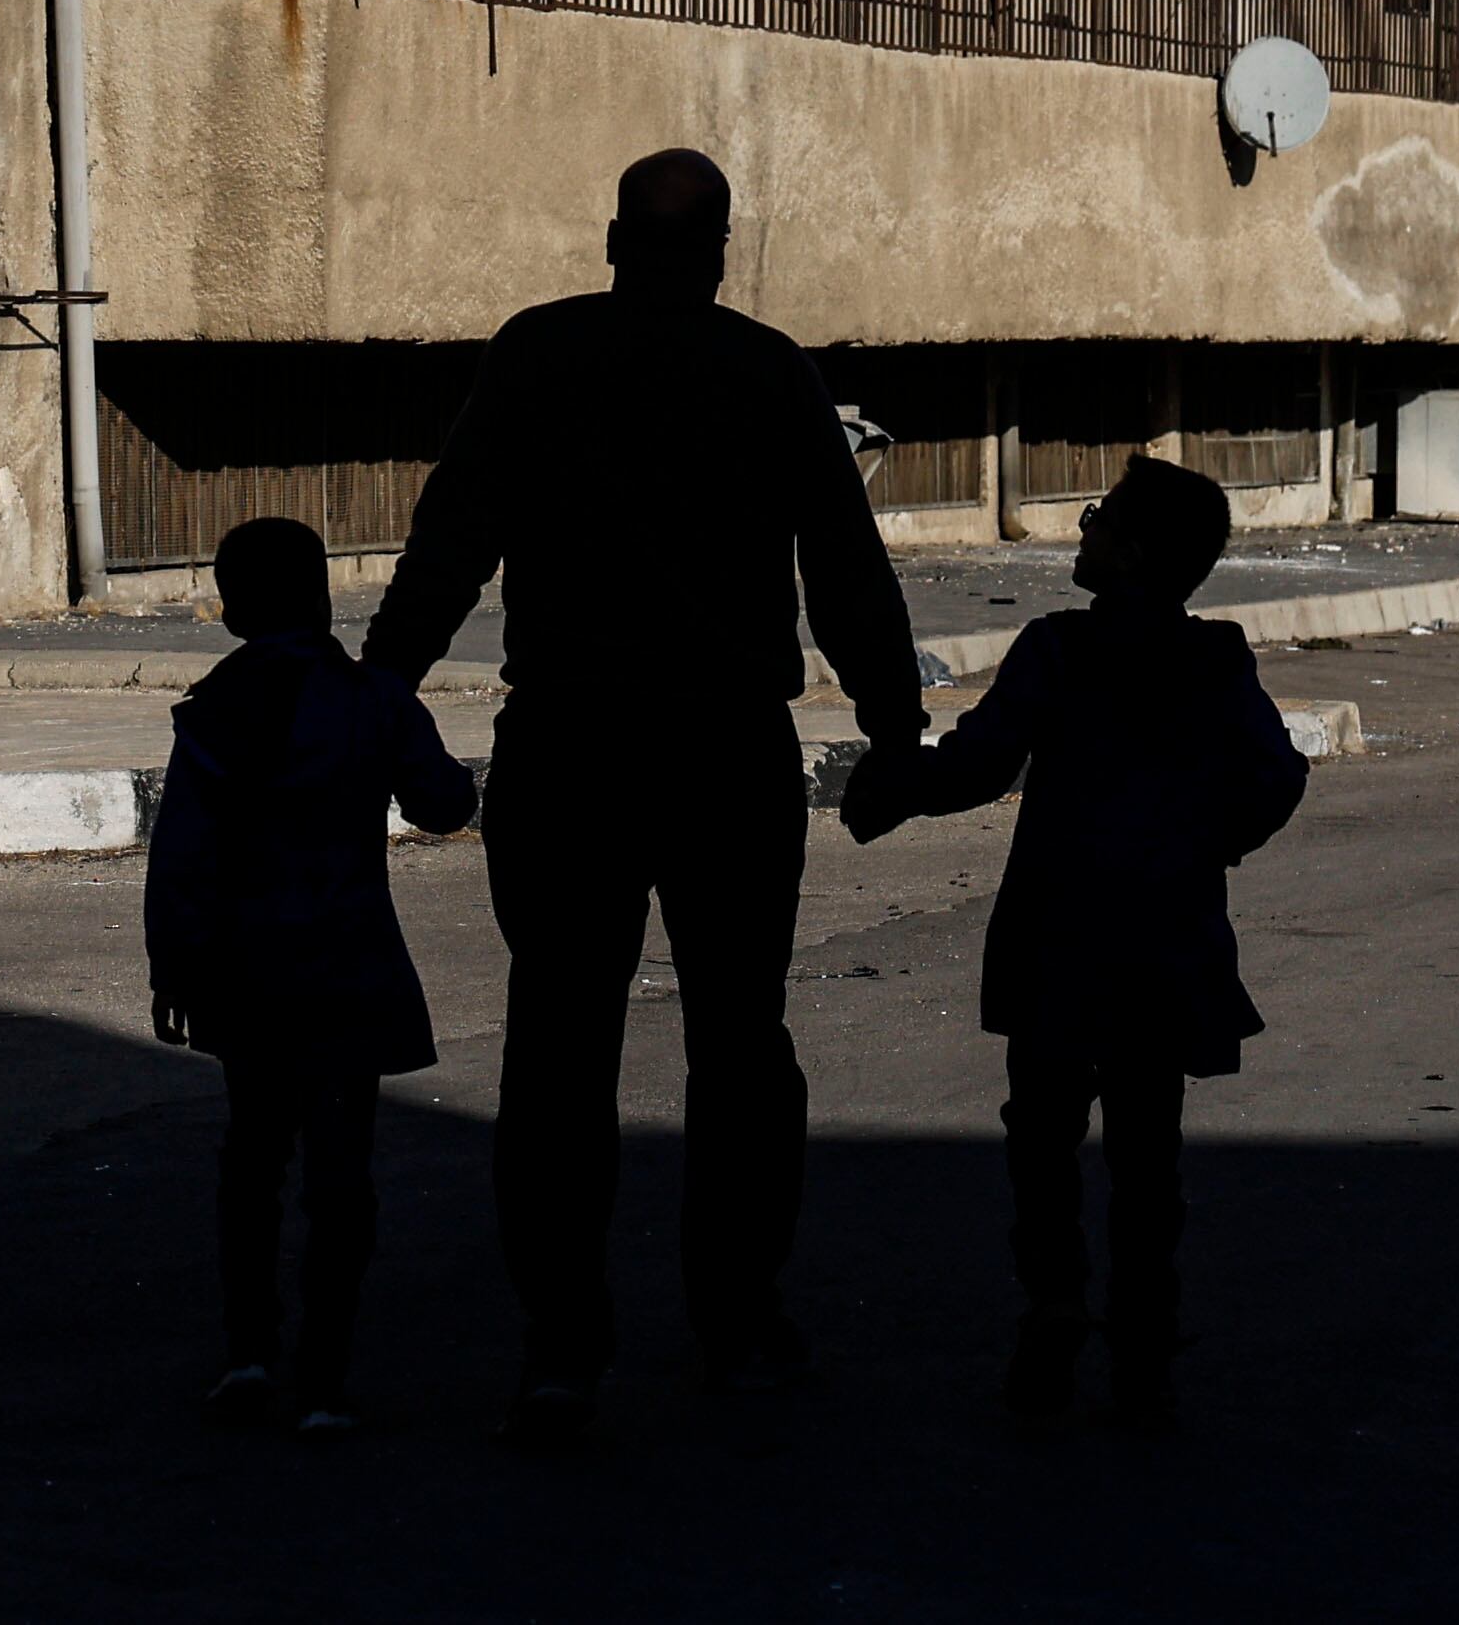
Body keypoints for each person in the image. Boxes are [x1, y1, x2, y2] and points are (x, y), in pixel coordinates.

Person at [362, 148, 925, 1441]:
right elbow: (845, 571)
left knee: (560, 1050)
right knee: (738, 1043)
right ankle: (736, 1321)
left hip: (568, 747)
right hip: (724, 755)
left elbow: (448, 543)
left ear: (611, 236)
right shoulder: (770, 372)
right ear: (723, 247)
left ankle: (562, 1342)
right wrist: (894, 730)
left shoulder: (536, 354)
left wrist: (378, 688)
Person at [845, 454, 1305, 1433]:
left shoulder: (1056, 649)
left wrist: (891, 785)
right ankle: (1145, 1346)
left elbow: (977, 767)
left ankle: (1054, 1299)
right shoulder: (1215, 658)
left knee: (1044, 1135)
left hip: (1058, 938)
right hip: (1167, 943)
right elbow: (1275, 775)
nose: (1084, 530)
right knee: (1147, 1156)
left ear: (1130, 552)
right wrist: (1204, 843)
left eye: (1099, 518)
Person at [146, 515, 481, 1437]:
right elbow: (442, 803)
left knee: (251, 1163)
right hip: (348, 967)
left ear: (230, 612)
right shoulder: (370, 699)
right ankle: (326, 1380)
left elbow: (181, 856)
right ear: (326, 598)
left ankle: (249, 1355)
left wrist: (173, 967)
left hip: (246, 973)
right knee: (342, 1174)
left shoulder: (214, 708)